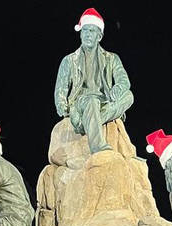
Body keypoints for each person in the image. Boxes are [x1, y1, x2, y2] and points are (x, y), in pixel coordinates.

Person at [54, 8, 134, 154]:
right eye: (84, 30)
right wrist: (65, 110)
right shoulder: (69, 60)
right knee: (91, 100)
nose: (87, 34)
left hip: (105, 102)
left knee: (129, 96)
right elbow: (61, 88)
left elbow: (124, 80)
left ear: (99, 36)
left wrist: (117, 89)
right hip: (82, 102)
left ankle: (84, 124)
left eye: (92, 31)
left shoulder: (112, 58)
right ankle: (97, 146)